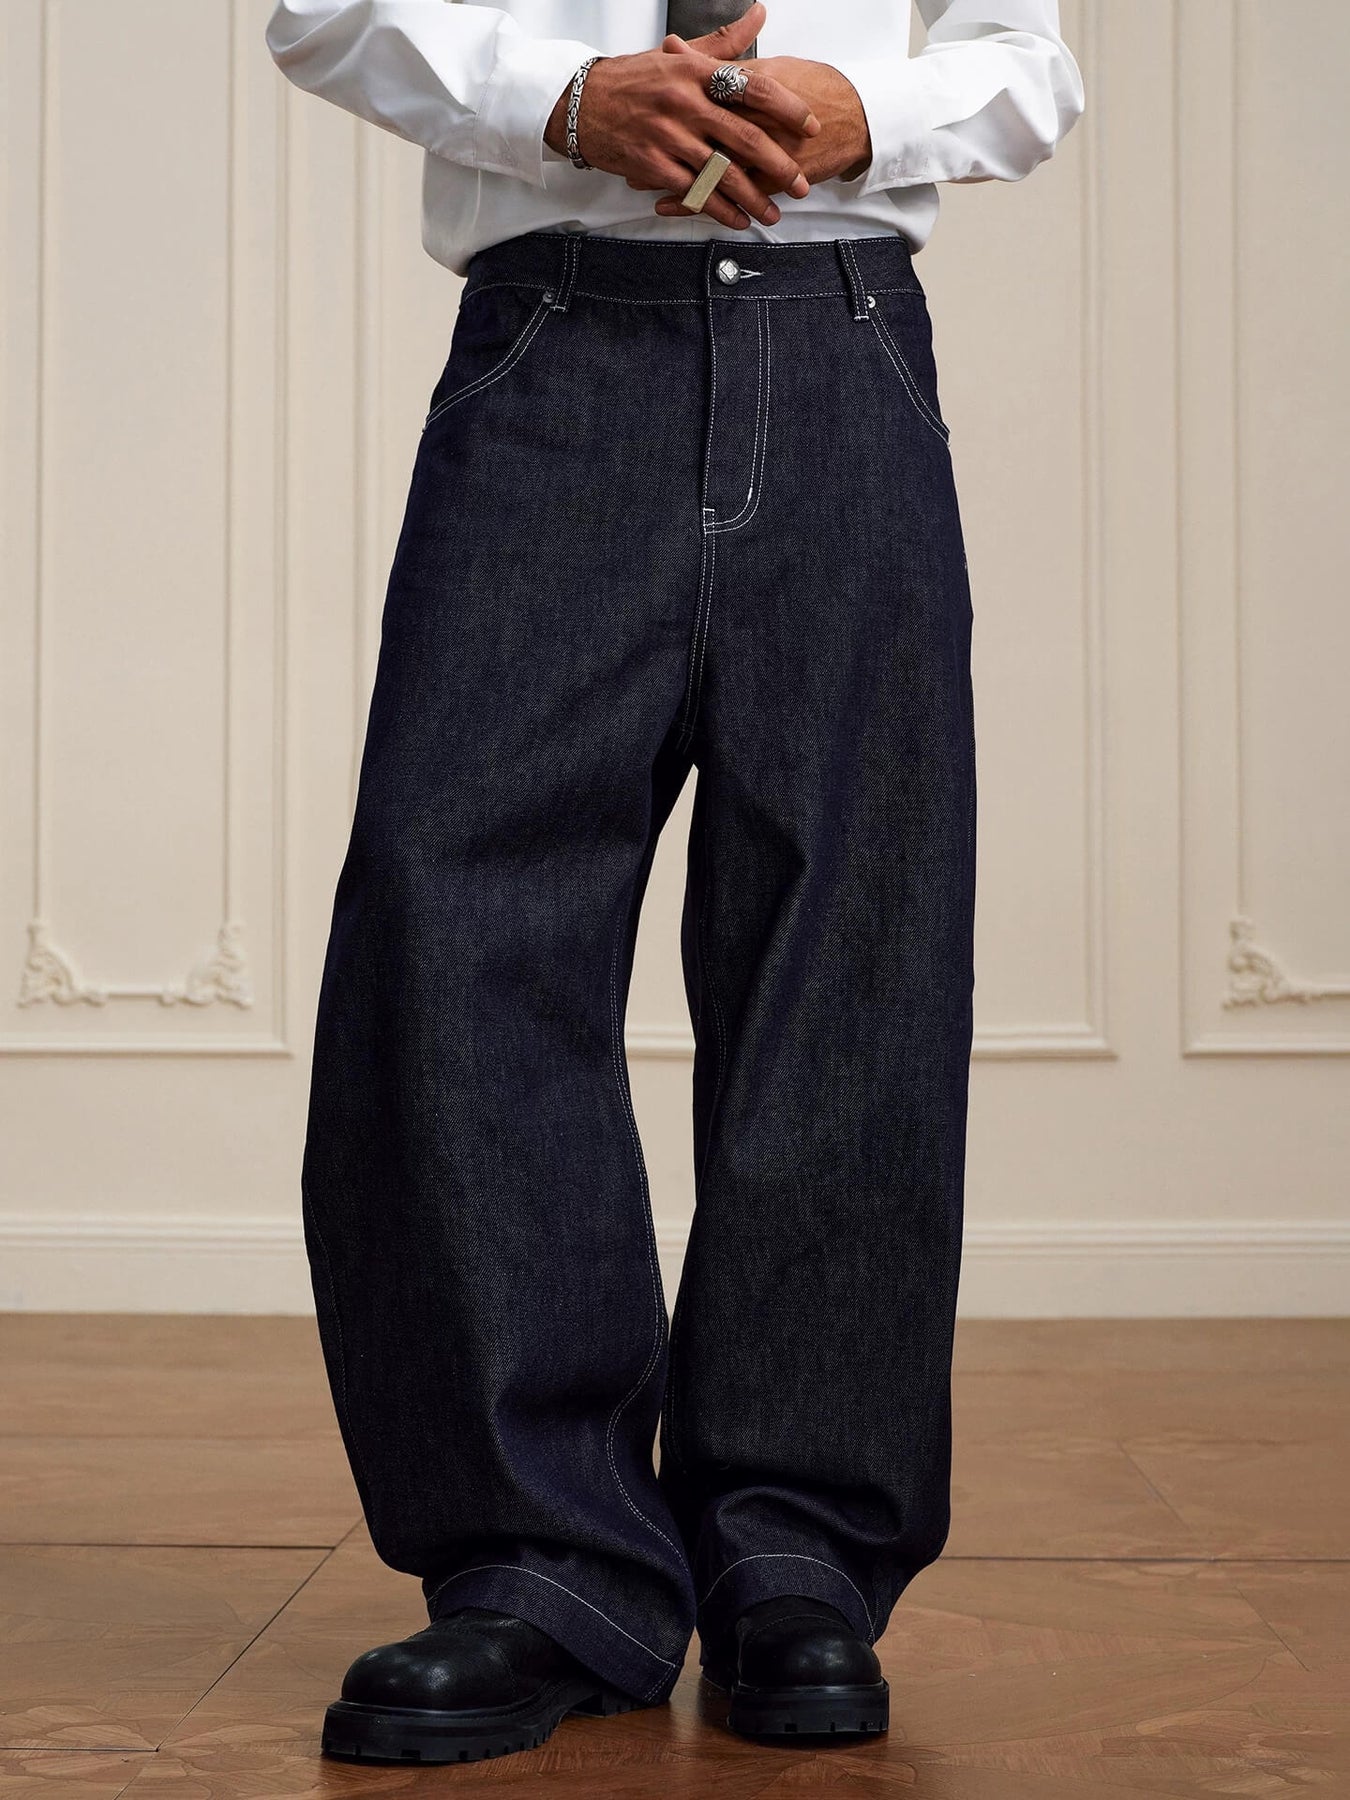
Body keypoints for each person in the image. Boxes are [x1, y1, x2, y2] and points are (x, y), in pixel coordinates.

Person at [264, 0, 1084, 1766]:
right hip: (555, 343)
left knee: (845, 956)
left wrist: (862, 111)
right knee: (450, 931)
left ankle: (797, 1553)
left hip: (843, 340)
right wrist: (563, 98)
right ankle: (539, 1562)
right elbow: (321, 10)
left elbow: (1031, 62)